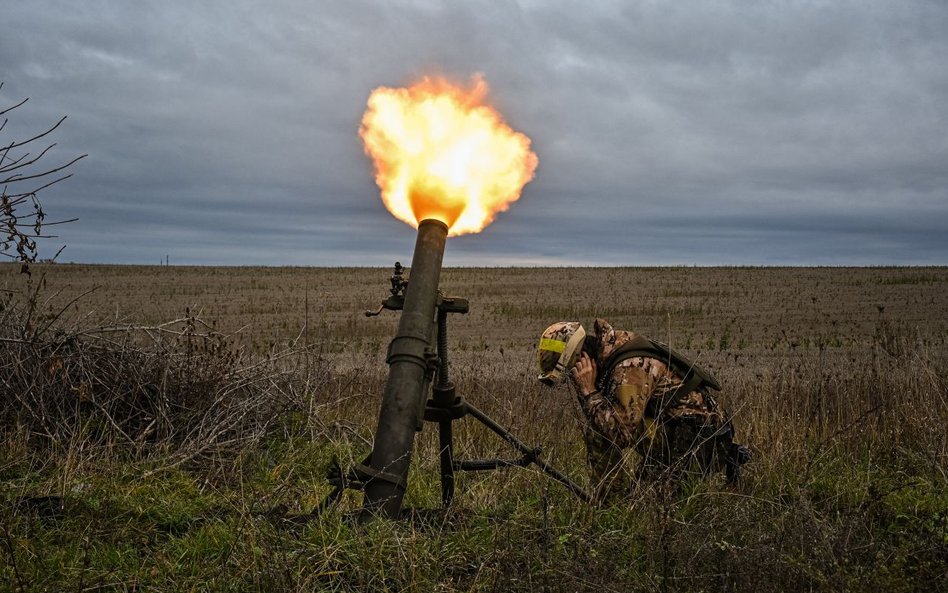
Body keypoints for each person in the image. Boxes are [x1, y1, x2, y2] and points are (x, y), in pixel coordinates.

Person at [537, 319, 749, 501]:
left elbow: (620, 435)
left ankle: (613, 506)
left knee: (642, 509)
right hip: (675, 439)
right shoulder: (611, 358)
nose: (571, 381)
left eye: (570, 375)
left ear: (581, 360)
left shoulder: (630, 368)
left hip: (697, 444)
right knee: (600, 429)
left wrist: (589, 392)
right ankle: (613, 504)